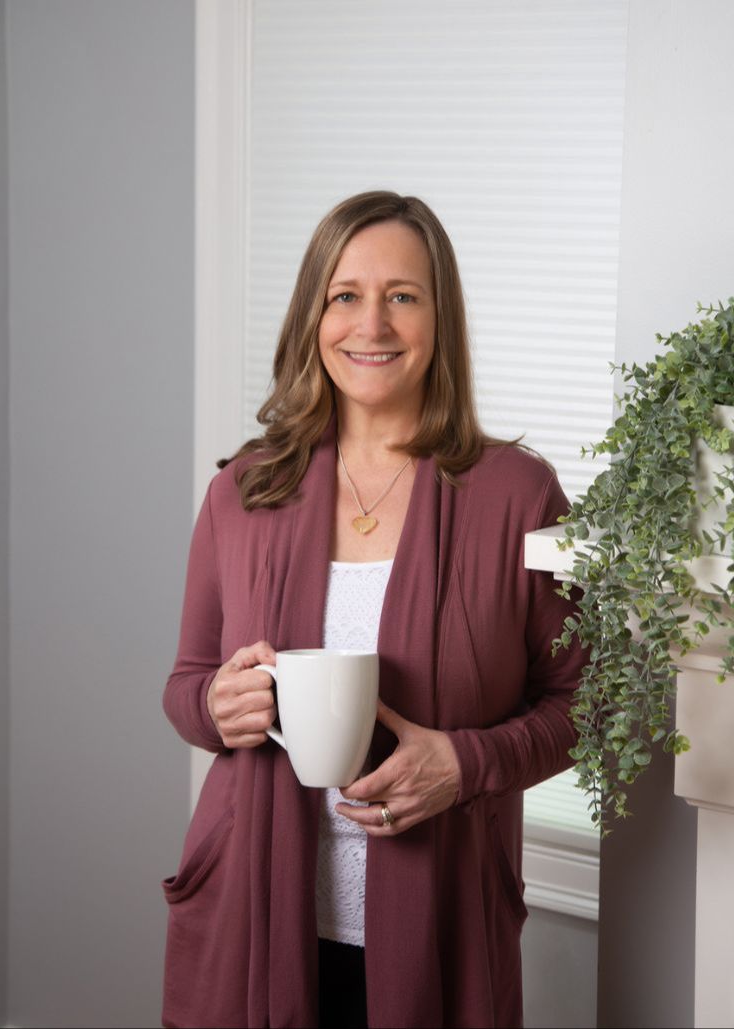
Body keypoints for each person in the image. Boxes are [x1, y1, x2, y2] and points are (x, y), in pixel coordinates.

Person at [161, 190, 586, 1029]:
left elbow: (588, 703)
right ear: (313, 314)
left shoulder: (519, 495)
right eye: (345, 295)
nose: (373, 325)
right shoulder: (242, 490)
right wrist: (218, 705)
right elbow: (186, 684)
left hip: (442, 923)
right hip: (251, 911)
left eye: (403, 296)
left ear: (440, 318)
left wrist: (466, 763)